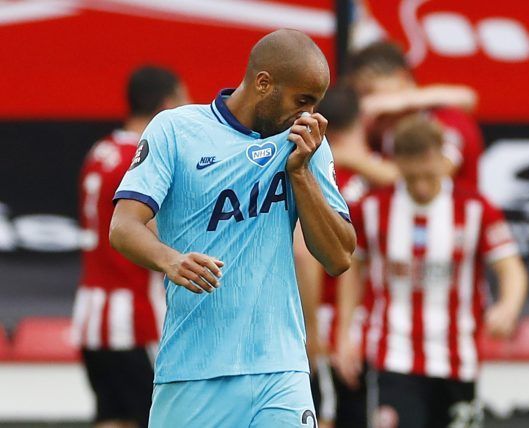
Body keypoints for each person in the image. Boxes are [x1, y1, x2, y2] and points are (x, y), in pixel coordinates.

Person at [109, 29, 356, 427]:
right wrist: (170, 260)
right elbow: (123, 226)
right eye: (302, 100)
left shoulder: (307, 143)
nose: (310, 114)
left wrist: (302, 176)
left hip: (281, 368)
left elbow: (339, 257)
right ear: (263, 83)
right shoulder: (176, 130)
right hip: (194, 370)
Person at [337, 114, 528, 428]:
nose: (421, 186)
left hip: (458, 359)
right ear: (397, 163)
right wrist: (345, 335)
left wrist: (508, 306)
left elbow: (511, 268)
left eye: (429, 175)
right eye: (412, 177)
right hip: (393, 356)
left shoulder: (476, 208)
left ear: (443, 159)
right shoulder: (371, 208)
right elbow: (350, 270)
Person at [71, 65, 189, 428]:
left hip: (92, 315)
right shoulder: (140, 158)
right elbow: (149, 230)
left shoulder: (102, 150)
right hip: (134, 318)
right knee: (161, 417)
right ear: (167, 104)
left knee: (112, 415)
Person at [296, 84, 398, 428]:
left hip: (327, 320)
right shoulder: (385, 176)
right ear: (362, 121)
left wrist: (313, 329)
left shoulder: (311, 171)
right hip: (376, 324)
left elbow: (304, 255)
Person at [347, 41, 483, 192]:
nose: (366, 103)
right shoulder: (379, 133)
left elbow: (435, 174)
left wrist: (350, 158)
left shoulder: (446, 118)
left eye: (370, 91)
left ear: (401, 78)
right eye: (360, 96)